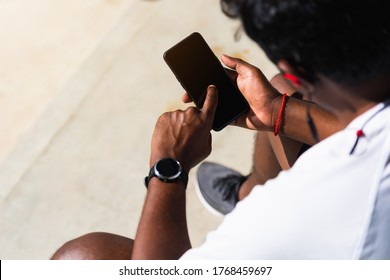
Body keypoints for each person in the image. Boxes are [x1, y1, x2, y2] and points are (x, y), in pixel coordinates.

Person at [51, 0, 390, 259]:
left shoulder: (291, 209)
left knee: (83, 255)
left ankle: (249, 195)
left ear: (295, 65)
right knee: (281, 90)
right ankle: (245, 192)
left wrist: (168, 169)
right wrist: (275, 112)